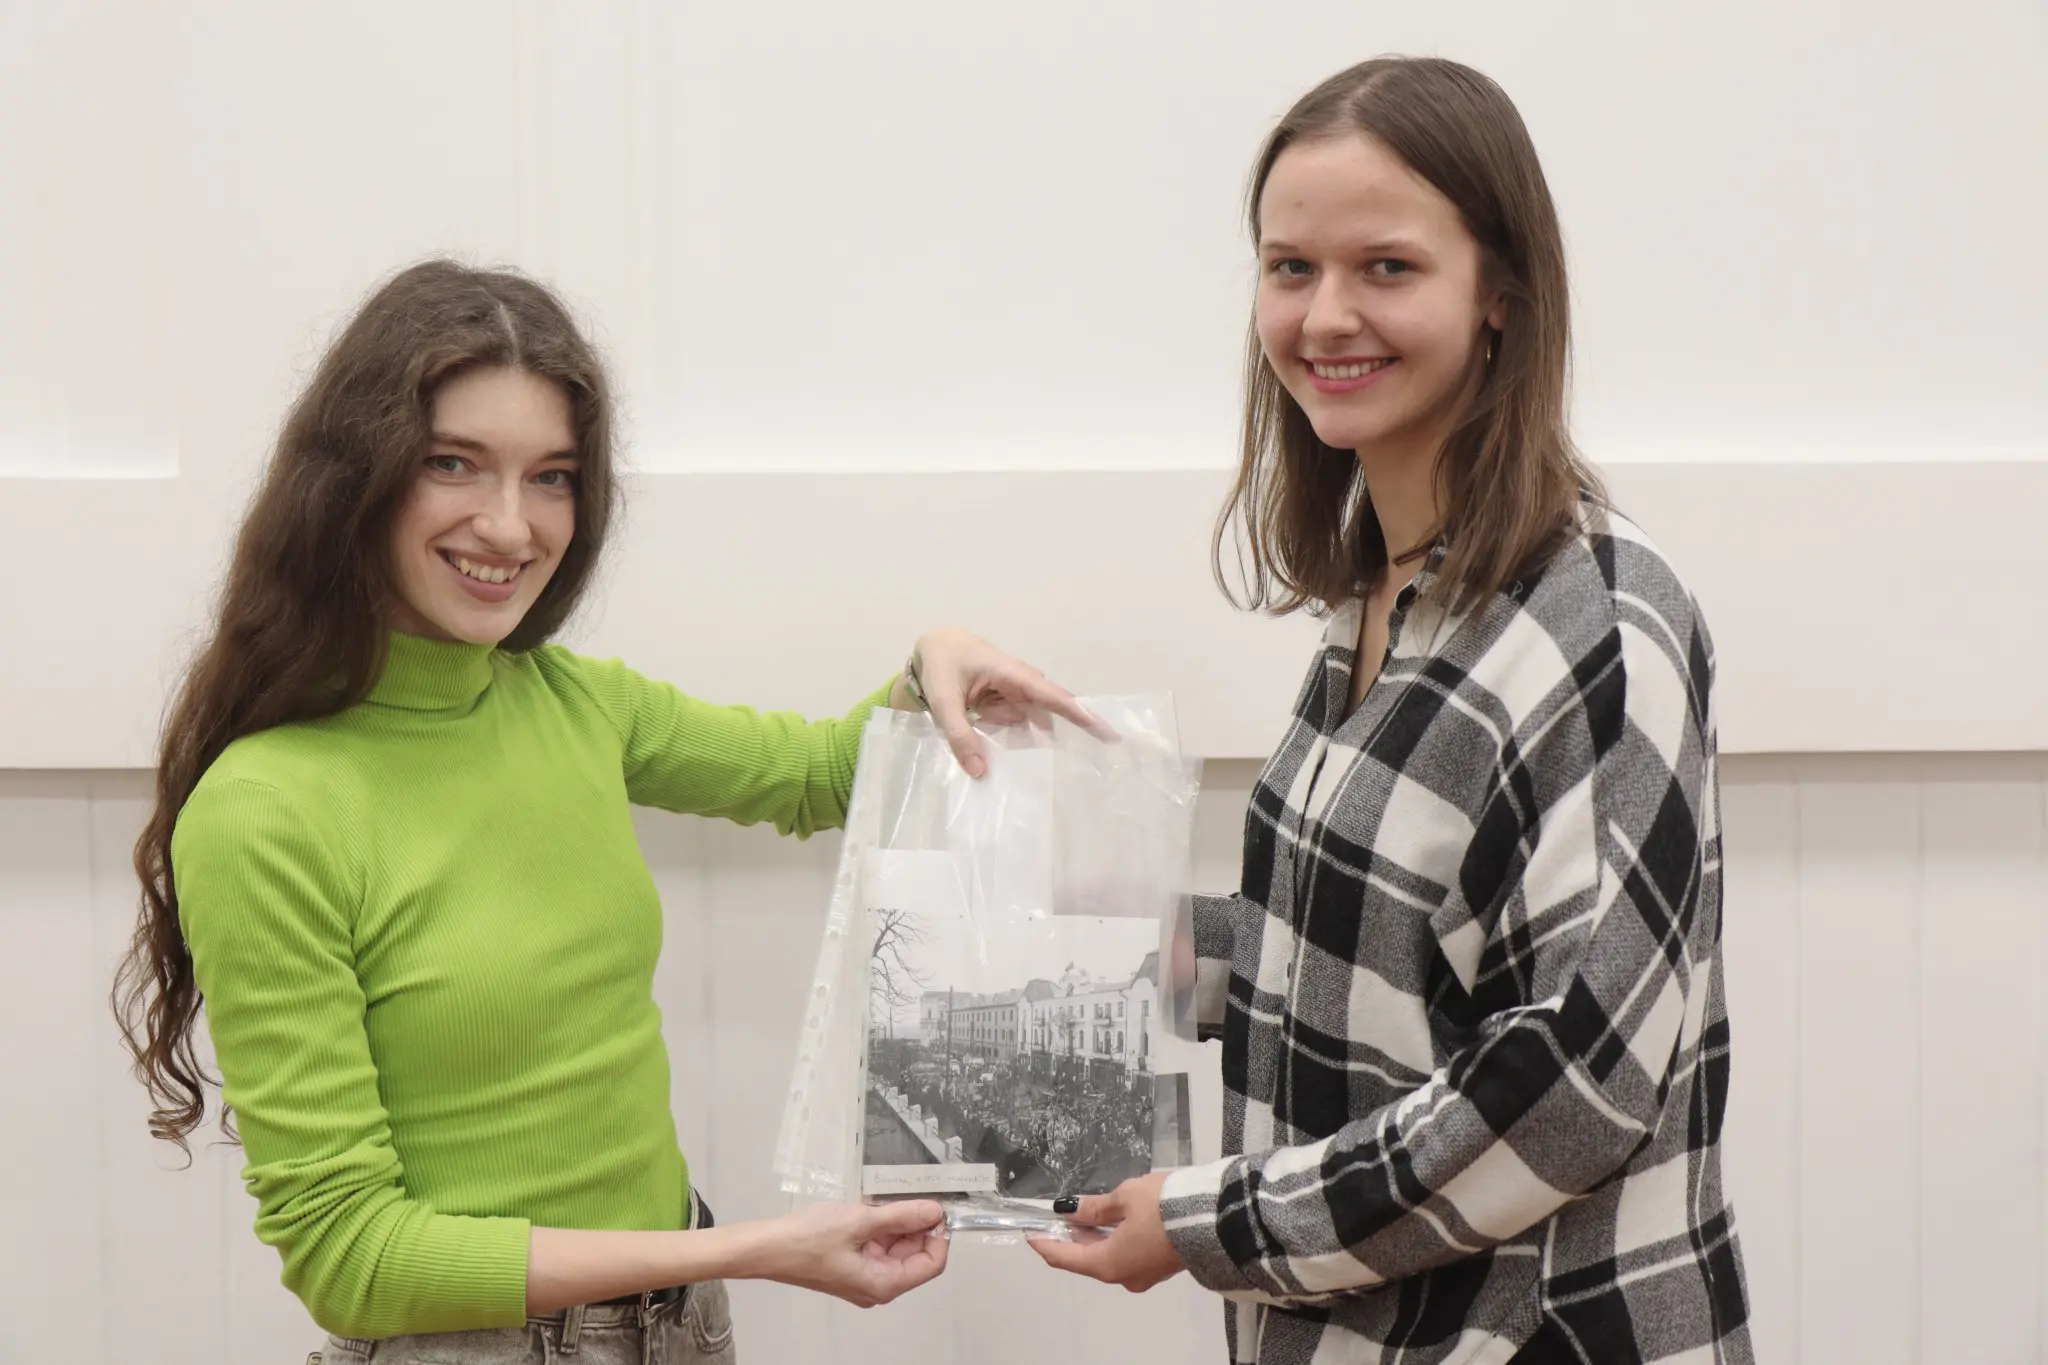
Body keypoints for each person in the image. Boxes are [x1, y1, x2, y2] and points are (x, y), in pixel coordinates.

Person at [112, 259, 1098, 1364]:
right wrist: (750, 1251)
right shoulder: (264, 810)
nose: (510, 525)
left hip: (681, 1329)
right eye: (453, 463)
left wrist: (931, 664)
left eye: (552, 477)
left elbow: (819, 776)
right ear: (356, 479)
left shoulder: (572, 703)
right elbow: (352, 1260)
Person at [1030, 57, 1753, 1364]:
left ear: (1499, 295)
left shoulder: (1594, 624)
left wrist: (1207, 1224)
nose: (1325, 316)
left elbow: (1572, 1090)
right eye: (1289, 268)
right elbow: (1386, 952)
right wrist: (1111, 949)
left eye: (1387, 268)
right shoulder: (1381, 593)